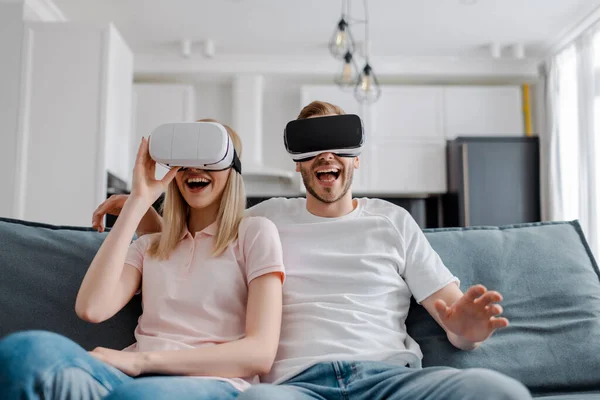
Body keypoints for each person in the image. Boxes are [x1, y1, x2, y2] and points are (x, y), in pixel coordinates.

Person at [90, 102, 532, 400]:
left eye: (338, 145)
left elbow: (454, 319)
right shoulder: (264, 220)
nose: (325, 156)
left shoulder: (393, 221)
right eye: (311, 149)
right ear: (298, 163)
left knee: (496, 391)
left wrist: (468, 329)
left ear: (355, 158)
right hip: (293, 386)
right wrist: (141, 210)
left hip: (389, 379)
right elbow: (196, 242)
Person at [0, 120, 285, 400]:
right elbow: (92, 308)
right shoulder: (151, 245)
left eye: (208, 157)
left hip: (211, 382)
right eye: (185, 159)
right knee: (24, 352)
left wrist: (143, 361)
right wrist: (138, 202)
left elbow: (259, 353)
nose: (195, 169)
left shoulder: (254, 233)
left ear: (231, 166)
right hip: (126, 377)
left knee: (143, 394)